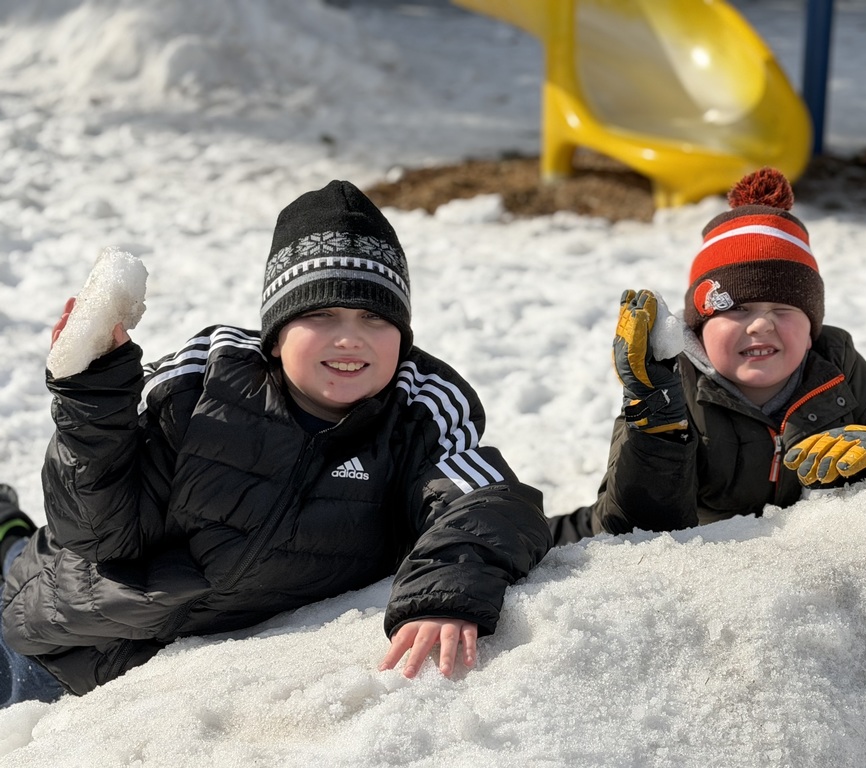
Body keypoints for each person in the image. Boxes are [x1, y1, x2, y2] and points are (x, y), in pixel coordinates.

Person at [0, 180, 552, 706]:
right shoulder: (201, 387)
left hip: (154, 688)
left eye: (373, 318)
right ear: (277, 330)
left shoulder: (418, 414)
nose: (349, 337)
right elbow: (99, 534)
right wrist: (91, 400)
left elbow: (487, 503)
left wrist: (445, 594)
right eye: (321, 312)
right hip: (50, 637)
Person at [548, 167, 866, 544]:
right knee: (528, 543)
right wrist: (656, 425)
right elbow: (631, 532)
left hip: (781, 577)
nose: (761, 325)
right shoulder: (670, 387)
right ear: (699, 329)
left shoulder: (839, 377)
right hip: (645, 548)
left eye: (783, 309)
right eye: (737, 310)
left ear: (812, 324)